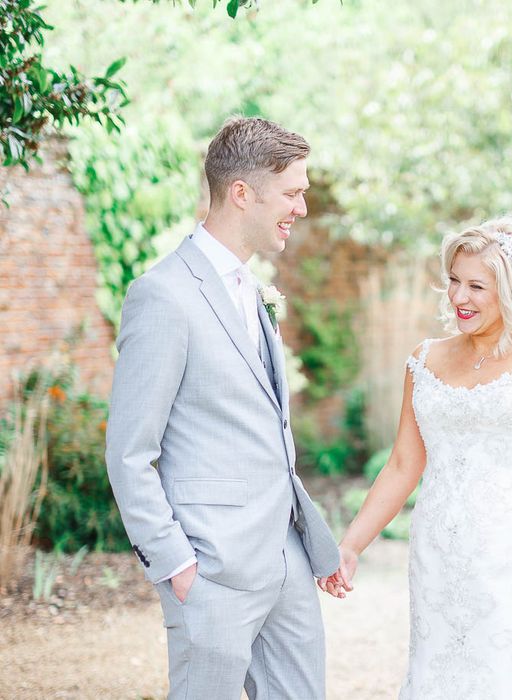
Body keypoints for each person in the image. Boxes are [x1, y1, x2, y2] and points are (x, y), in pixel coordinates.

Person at [320, 214, 512, 698]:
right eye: (454, 281)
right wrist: (350, 545)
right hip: (438, 551)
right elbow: (402, 465)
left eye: (476, 286)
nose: (458, 297)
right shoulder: (426, 358)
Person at [106, 116, 339, 700]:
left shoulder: (251, 288)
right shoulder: (162, 296)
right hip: (210, 566)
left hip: (284, 553)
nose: (302, 208)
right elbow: (130, 452)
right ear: (242, 194)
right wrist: (176, 567)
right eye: (292, 193)